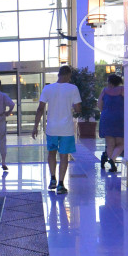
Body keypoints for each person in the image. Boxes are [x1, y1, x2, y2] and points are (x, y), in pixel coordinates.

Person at [32, 66, 82, 194]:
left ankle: (52, 179)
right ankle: (60, 184)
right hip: (66, 129)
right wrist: (71, 105)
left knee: (51, 153)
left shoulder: (48, 88)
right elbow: (78, 109)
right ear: (68, 75)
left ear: (59, 74)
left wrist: (35, 126)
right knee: (64, 156)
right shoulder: (73, 88)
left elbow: (40, 108)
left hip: (52, 128)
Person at [98, 74, 124, 173]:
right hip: (119, 118)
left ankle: (110, 159)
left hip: (106, 118)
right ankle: (112, 160)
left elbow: (99, 105)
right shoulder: (122, 90)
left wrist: (106, 111)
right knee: (121, 143)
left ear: (110, 83)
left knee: (110, 144)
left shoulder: (104, 91)